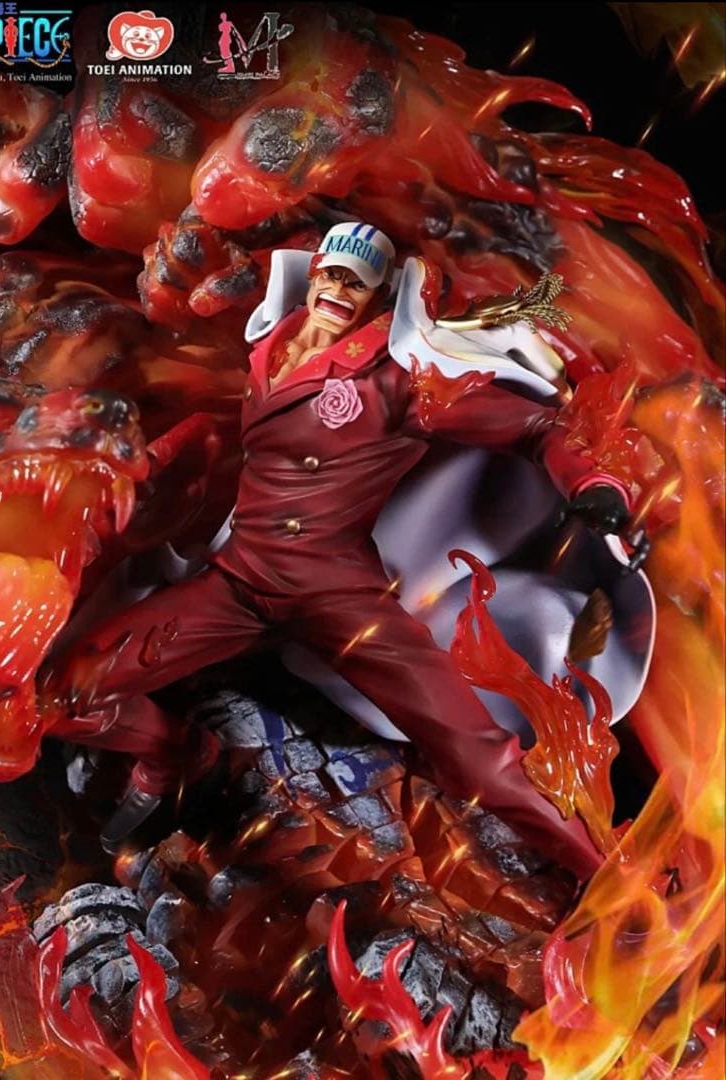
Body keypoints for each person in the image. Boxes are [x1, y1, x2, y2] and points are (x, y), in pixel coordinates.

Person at [45, 222, 642, 878]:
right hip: (239, 582)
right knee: (65, 693)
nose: (339, 289)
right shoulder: (270, 341)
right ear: (315, 275)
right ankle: (177, 755)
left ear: (379, 298)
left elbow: (535, 427)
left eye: (358, 283)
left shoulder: (401, 381)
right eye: (333, 273)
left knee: (477, 756)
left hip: (338, 595)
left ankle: (612, 879)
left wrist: (592, 484)